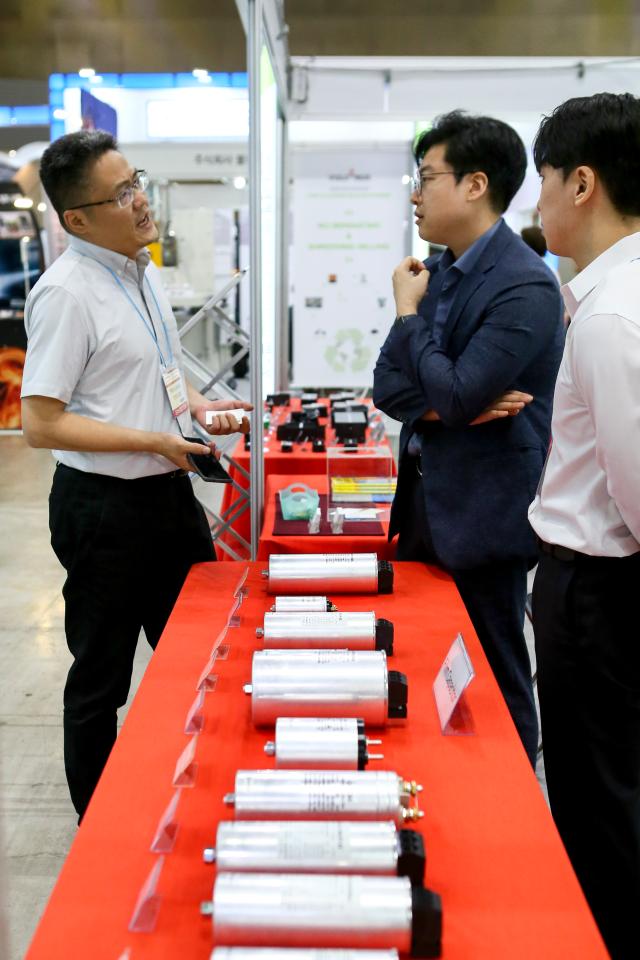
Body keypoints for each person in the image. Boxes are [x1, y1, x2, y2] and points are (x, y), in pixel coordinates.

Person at [20, 130, 253, 820]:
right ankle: (100, 826)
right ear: (78, 219)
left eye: (136, 181)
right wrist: (155, 438)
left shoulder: (139, 271)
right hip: (103, 509)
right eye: (120, 194)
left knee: (202, 652)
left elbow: (156, 373)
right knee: (102, 677)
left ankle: (201, 795)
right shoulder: (67, 293)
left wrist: (202, 410)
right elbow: (42, 422)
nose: (140, 200)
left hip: (165, 491)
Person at [373, 111, 564, 766]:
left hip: (487, 512)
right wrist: (444, 408)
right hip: (426, 502)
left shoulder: (523, 283)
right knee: (429, 658)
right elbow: (392, 391)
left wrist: (409, 319)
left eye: (427, 178)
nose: (415, 194)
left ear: (476, 184)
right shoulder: (435, 271)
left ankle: (514, 806)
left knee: (496, 667)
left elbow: (454, 392)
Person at [529, 93, 640, 960]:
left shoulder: (609, 313)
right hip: (601, 587)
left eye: (542, 181)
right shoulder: (612, 294)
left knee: (599, 808)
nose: (539, 203)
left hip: (601, 592)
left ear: (582, 184)